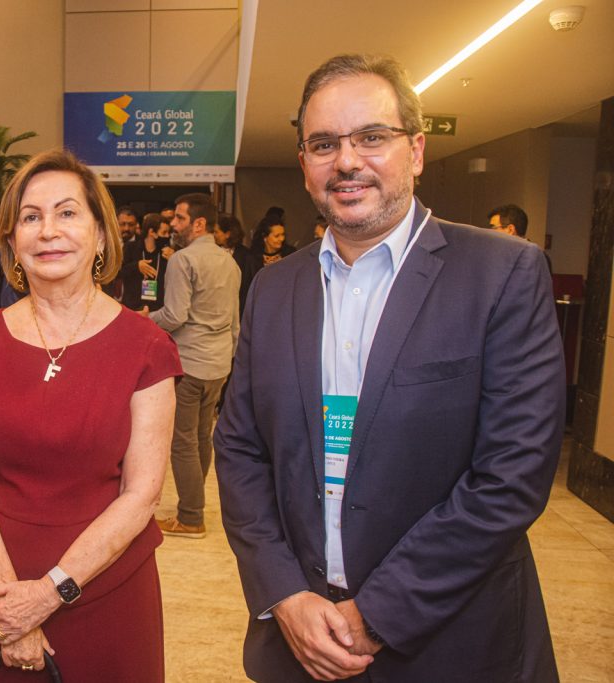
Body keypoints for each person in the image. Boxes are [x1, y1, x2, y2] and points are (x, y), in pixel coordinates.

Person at [215, 53, 564, 683]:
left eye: (372, 137)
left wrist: (376, 614)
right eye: (324, 144)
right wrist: (283, 592)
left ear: (417, 151)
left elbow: (511, 475)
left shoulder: (502, 273)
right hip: (298, 637)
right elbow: (240, 448)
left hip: (451, 645)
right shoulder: (273, 288)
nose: (347, 161)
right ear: (304, 163)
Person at [0, 148, 180, 681]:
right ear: (12, 242)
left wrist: (49, 593)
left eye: (67, 213)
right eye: (31, 217)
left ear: (100, 235)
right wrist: (13, 606)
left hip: (107, 586)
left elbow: (142, 494)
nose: (48, 230)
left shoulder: (147, 347)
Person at [148, 193, 240, 539]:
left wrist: (142, 321)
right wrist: (228, 361)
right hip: (218, 364)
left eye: (180, 218)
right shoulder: (230, 263)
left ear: (199, 224)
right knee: (202, 437)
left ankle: (190, 517)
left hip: (189, 363)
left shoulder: (183, 260)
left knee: (183, 442)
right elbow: (235, 323)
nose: (173, 224)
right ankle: (193, 505)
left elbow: (174, 316)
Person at [120, 212, 170, 310]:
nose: (167, 236)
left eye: (168, 232)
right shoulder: (131, 247)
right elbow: (118, 272)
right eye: (164, 232)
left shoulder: (165, 253)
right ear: (151, 232)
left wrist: (173, 259)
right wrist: (136, 266)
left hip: (158, 309)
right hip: (132, 306)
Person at [215, 213, 262, 317]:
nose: (213, 235)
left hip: (237, 310)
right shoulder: (211, 252)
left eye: (216, 232)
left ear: (227, 234)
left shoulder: (247, 257)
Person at [489, 203, 552, 273]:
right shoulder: (499, 255)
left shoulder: (536, 256)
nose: (490, 233)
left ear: (510, 229)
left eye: (493, 228)